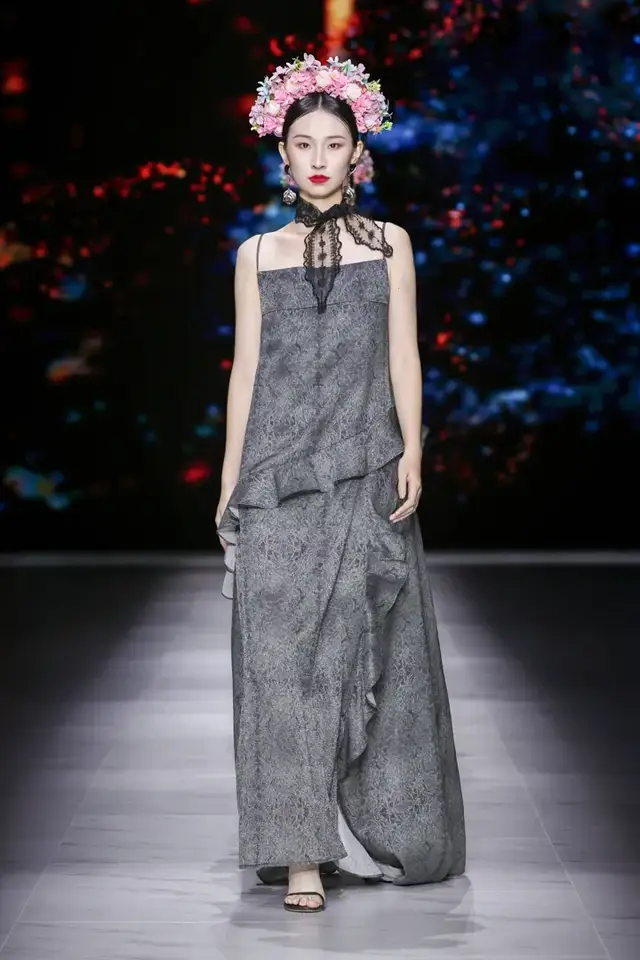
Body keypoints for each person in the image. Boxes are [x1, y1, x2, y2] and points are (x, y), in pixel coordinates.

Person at [215, 55, 466, 915]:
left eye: (333, 143)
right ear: (281, 155)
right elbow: (246, 371)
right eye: (303, 144)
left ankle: (375, 827)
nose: (318, 159)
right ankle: (300, 856)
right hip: (276, 481)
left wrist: (413, 451)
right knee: (279, 669)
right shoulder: (255, 255)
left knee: (352, 661)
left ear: (359, 152)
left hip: (364, 471)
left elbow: (405, 355)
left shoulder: (390, 244)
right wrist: (229, 482)